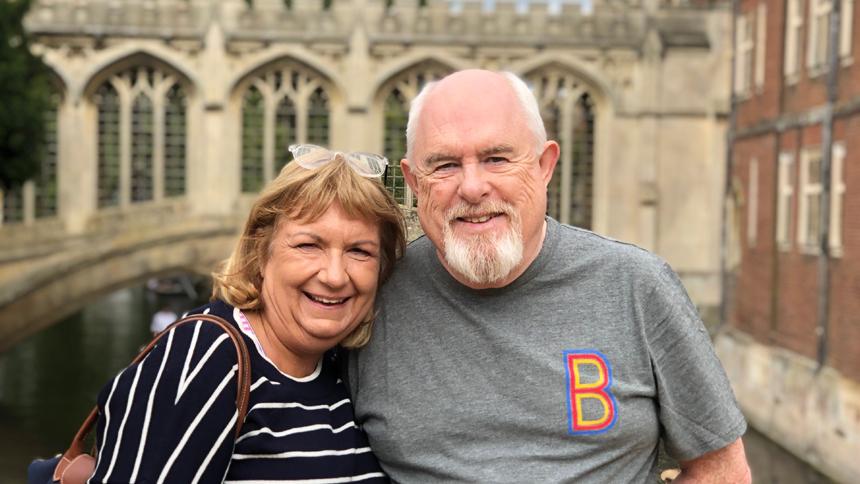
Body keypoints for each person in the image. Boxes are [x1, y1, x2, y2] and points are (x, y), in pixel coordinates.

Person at [348, 70, 751, 482]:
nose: (472, 187)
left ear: (545, 166)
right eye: (445, 165)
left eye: (497, 159)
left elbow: (722, 469)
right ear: (414, 182)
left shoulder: (637, 285)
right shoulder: (371, 295)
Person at [88, 145, 405, 482]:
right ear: (260, 252)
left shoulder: (343, 367)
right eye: (308, 245)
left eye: (359, 251)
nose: (335, 275)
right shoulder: (206, 356)